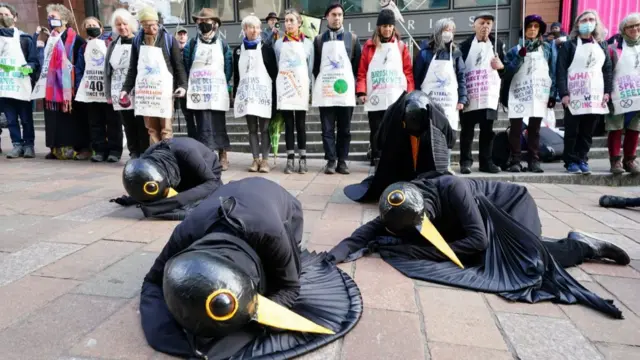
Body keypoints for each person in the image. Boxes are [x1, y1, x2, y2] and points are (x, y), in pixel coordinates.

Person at [330, 174, 630, 318]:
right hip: (477, 225)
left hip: (509, 209)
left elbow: (478, 240)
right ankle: (570, 244)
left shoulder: (453, 189)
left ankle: (584, 246)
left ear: (426, 214)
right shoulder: (400, 205)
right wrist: (331, 258)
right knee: (494, 259)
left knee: (526, 264)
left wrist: (417, 250)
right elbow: (362, 235)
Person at [139, 177, 362, 359]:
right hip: (231, 196)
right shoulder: (185, 233)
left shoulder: (272, 235)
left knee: (285, 270)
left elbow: (290, 288)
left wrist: (249, 316)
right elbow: (153, 279)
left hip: (284, 206)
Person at [343, 90, 455, 203]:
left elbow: (450, 141)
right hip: (401, 147)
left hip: (427, 147)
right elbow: (380, 141)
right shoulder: (394, 112)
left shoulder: (436, 113)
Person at [120, 7, 188, 145]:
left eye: (153, 25)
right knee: (151, 129)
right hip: (146, 92)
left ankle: (166, 156)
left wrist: (183, 86)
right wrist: (125, 89)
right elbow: (133, 68)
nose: (151, 28)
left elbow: (178, 66)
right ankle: (155, 157)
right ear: (141, 25)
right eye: (146, 25)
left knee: (166, 128)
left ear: (158, 23)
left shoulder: (169, 40)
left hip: (165, 92)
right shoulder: (137, 42)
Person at [112, 137, 223, 220]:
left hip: (203, 175)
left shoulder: (187, 152)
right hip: (177, 175)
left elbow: (213, 182)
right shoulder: (148, 156)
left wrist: (172, 202)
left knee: (202, 201)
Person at [557, 10, 613, 174]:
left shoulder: (602, 45)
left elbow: (607, 70)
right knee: (572, 130)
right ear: (577, 24)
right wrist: (564, 93)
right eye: (584, 20)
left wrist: (607, 91)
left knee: (587, 131)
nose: (587, 22)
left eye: (591, 20)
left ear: (596, 23)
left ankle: (582, 158)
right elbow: (560, 71)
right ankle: (570, 161)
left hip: (595, 95)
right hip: (574, 94)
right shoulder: (569, 45)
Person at [357, 9, 414, 167]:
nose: (387, 29)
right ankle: (376, 155)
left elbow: (407, 71)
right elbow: (362, 72)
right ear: (378, 28)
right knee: (376, 128)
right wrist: (361, 91)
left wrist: (409, 93)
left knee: (395, 128)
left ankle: (393, 156)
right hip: (375, 95)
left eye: (390, 26)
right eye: (384, 26)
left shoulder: (401, 47)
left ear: (394, 27)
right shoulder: (368, 47)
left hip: (396, 95)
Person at [312, 1, 362, 175]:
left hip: (345, 91)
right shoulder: (319, 40)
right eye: (333, 15)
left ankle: (342, 161)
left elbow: (357, 65)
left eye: (340, 15)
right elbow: (315, 66)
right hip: (326, 91)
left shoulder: (353, 39)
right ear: (327, 17)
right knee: (326, 129)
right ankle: (331, 160)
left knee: (345, 129)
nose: (337, 18)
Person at [502, 15, 556, 173]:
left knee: (535, 129)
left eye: (536, 26)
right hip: (519, 93)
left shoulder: (546, 49)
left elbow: (551, 71)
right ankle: (516, 159)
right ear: (524, 29)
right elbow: (506, 71)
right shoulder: (515, 50)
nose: (532, 29)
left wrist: (552, 94)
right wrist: (519, 57)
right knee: (516, 128)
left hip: (538, 93)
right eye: (529, 26)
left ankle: (534, 159)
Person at [35, 4, 90, 160]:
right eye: (49, 17)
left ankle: (78, 147)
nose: (50, 20)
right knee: (54, 118)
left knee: (72, 119)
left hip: (68, 85)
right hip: (52, 85)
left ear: (64, 19)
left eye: (54, 17)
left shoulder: (75, 39)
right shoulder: (50, 38)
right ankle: (56, 147)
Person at [413, 18, 466, 169]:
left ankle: (445, 166)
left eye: (451, 31)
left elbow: (461, 77)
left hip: (449, 104)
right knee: (428, 134)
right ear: (438, 32)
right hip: (429, 102)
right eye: (445, 30)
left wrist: (462, 98)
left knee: (447, 135)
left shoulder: (456, 54)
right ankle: (426, 166)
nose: (448, 34)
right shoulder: (425, 54)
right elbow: (417, 78)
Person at [184, 8, 233, 171]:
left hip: (216, 90)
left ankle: (223, 154)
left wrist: (220, 83)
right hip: (198, 90)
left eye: (207, 22)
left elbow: (228, 67)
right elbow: (186, 65)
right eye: (200, 22)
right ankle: (206, 156)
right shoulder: (191, 44)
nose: (203, 25)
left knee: (219, 122)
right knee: (202, 124)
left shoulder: (223, 45)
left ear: (215, 25)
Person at [458, 12, 506, 174]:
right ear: (474, 25)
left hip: (489, 96)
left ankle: (486, 162)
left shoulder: (498, 44)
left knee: (488, 131)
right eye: (482, 23)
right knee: (467, 131)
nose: (485, 26)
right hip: (470, 95)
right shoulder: (464, 46)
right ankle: (465, 162)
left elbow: (505, 70)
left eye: (488, 23)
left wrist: (502, 67)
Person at [233, 15, 277, 173]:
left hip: (263, 94)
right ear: (244, 29)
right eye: (251, 27)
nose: (255, 30)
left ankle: (265, 160)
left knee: (264, 129)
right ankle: (255, 159)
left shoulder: (266, 49)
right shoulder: (238, 51)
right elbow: (237, 76)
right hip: (247, 95)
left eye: (257, 27)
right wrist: (236, 96)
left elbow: (274, 73)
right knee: (251, 128)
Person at [75, 17, 122, 163]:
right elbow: (79, 68)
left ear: (101, 27)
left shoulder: (110, 43)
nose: (91, 27)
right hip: (92, 91)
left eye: (94, 25)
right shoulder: (84, 47)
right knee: (95, 123)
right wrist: (80, 87)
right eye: (88, 25)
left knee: (113, 122)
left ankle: (114, 151)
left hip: (108, 90)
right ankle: (100, 150)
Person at [274, 8, 314, 174]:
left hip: (300, 89)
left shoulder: (308, 44)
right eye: (286, 20)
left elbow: (310, 67)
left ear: (299, 23)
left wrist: (308, 88)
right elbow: (278, 65)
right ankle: (290, 159)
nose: (288, 24)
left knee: (301, 124)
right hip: (285, 88)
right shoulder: (277, 44)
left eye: (292, 20)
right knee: (289, 125)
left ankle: (302, 159)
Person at [104, 8, 149, 159]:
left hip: (138, 89)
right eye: (118, 25)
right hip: (119, 90)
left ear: (131, 24)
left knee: (141, 123)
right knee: (128, 124)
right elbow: (107, 70)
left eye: (124, 24)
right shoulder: (112, 45)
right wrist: (108, 93)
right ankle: (134, 152)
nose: (122, 27)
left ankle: (144, 151)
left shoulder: (140, 41)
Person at [0, 3, 39, 159]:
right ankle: (17, 145)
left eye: (6, 14)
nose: (3, 18)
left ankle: (29, 145)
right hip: (5, 86)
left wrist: (28, 68)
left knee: (26, 119)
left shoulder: (25, 39)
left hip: (22, 85)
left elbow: (34, 61)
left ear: (14, 17)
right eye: (0, 15)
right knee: (10, 119)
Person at [607, 13, 640, 174]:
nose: (634, 29)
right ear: (623, 30)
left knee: (635, 128)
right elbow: (607, 71)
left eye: (637, 25)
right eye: (630, 26)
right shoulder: (614, 48)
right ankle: (615, 162)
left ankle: (630, 160)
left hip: (638, 95)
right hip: (618, 94)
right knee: (616, 128)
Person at [175, 25, 197, 141]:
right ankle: (192, 138)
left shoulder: (193, 49)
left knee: (197, 116)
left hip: (194, 86)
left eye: (184, 34)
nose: (182, 36)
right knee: (188, 117)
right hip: (181, 88)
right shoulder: (173, 51)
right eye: (179, 34)